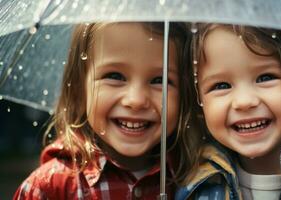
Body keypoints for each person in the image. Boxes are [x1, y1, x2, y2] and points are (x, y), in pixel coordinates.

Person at [13, 22, 194, 199]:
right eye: (115, 76)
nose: (136, 100)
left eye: (159, 80)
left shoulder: (197, 181)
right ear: (79, 90)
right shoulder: (47, 189)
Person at [176, 24, 281, 200]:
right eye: (221, 86)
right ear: (199, 103)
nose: (244, 101)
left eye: (265, 77)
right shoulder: (194, 186)